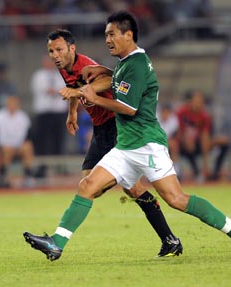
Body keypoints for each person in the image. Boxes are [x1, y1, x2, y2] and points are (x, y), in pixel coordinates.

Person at [23, 11, 231, 261]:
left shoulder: (137, 65)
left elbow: (129, 108)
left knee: (176, 199)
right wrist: (94, 81)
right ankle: (56, 243)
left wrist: (91, 97)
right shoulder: (126, 63)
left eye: (111, 34)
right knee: (87, 185)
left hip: (146, 144)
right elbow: (112, 80)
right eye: (105, 35)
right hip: (125, 146)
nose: (107, 40)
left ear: (128, 34)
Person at [29, 28, 183, 258]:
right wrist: (72, 112)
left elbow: (111, 80)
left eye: (59, 49)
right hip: (100, 129)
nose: (54, 54)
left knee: (105, 186)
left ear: (72, 48)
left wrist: (81, 92)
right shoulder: (64, 66)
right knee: (108, 185)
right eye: (51, 50)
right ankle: (169, 239)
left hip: (115, 124)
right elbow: (74, 88)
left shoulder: (85, 65)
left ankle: (57, 241)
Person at [176, 90, 229, 182]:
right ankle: (185, 172)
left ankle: (212, 172)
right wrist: (184, 140)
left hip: (198, 143)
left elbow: (205, 135)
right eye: (196, 101)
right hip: (182, 144)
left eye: (200, 101)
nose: (198, 104)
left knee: (224, 142)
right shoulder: (181, 113)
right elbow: (177, 131)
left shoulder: (204, 116)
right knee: (180, 144)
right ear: (190, 101)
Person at [0, 95, 36, 188]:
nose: (12, 105)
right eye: (10, 103)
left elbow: (28, 135)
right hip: (4, 147)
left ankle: (28, 176)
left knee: (28, 147)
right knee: (7, 150)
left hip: (18, 147)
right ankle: (4, 177)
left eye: (14, 103)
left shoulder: (23, 116)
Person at [30, 55, 69, 156]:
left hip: (58, 112)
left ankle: (59, 163)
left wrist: (55, 91)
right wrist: (54, 91)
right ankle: (43, 164)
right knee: (43, 139)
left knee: (59, 139)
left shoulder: (61, 75)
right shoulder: (38, 76)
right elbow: (43, 89)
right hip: (44, 112)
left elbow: (65, 90)